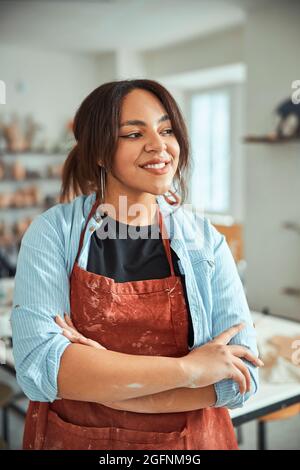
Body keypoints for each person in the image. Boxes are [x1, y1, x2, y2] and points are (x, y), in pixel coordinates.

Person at [11, 79, 263, 450]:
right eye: (133, 133)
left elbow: (239, 378)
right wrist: (189, 371)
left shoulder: (205, 240)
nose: (159, 146)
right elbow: (41, 367)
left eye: (167, 130)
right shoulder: (54, 232)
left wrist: (107, 386)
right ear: (98, 152)